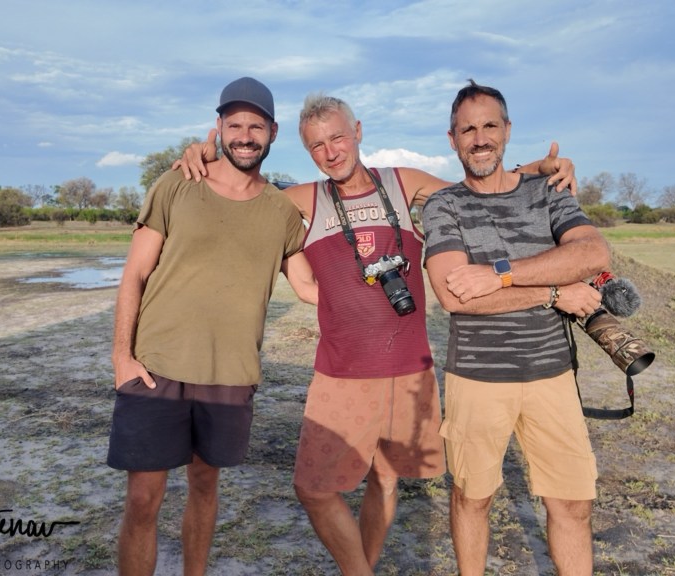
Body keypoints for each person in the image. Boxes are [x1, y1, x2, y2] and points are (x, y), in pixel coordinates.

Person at [177, 93, 575, 575]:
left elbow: (477, 184)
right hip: (341, 372)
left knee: (385, 481)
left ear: (359, 131)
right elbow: (240, 194)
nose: (331, 151)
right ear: (307, 151)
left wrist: (542, 168)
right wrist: (204, 157)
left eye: (339, 137)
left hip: (410, 371)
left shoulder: (403, 184)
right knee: (314, 489)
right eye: (317, 145)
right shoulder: (306, 198)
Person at [107, 76, 317, 576]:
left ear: (273, 132)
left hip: (230, 374)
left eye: (256, 126)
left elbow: (308, 287)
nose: (246, 135)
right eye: (235, 124)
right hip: (156, 369)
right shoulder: (178, 183)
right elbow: (134, 273)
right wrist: (122, 357)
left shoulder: (282, 212)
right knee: (143, 499)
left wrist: (376, 289)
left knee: (205, 488)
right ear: (218, 128)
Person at [421, 80, 610, 576]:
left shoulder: (546, 191)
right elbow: (453, 296)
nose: (479, 138)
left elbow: (592, 253)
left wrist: (499, 274)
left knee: (572, 504)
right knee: (472, 498)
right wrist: (553, 291)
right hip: (478, 377)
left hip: (551, 374)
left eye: (489, 126)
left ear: (507, 131)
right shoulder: (444, 205)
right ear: (452, 139)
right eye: (468, 129)